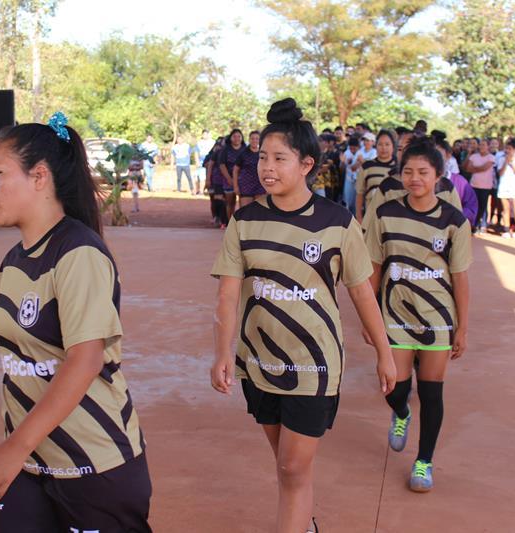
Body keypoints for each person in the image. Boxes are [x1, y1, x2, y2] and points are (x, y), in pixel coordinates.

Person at [210, 98, 396, 533]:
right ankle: (305, 523)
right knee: (287, 467)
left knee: (293, 467)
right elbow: (227, 294)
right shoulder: (244, 220)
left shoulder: (337, 221)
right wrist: (222, 353)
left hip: (315, 364)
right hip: (259, 363)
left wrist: (384, 353)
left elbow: (363, 294)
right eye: (262, 158)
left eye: (279, 158)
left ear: (306, 163)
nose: (267, 167)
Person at [0, 112, 152, 532]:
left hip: (93, 465)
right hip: (31, 465)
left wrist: (14, 447)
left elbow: (84, 361)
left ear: (40, 177)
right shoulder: (14, 260)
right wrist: (22, 451)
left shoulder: (79, 253)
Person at [364, 136, 471, 493]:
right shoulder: (385, 213)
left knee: (432, 393)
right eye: (408, 171)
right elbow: (375, 268)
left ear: (439, 175)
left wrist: (462, 328)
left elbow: (460, 278)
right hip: (394, 314)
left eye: (423, 172)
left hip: (438, 318)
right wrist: (371, 317)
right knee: (394, 387)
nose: (415, 178)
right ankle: (402, 414)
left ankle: (424, 461)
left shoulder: (454, 220)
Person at [435, 139, 477, 230]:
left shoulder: (460, 182)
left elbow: (471, 207)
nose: (434, 159)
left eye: (438, 155)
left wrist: (455, 217)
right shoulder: (421, 181)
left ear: (448, 156)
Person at [354, 130, 395, 223]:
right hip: (371, 218)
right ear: (375, 146)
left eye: (387, 144)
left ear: (393, 146)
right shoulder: (366, 166)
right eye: (380, 144)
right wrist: (359, 218)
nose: (384, 148)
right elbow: (359, 193)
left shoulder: (400, 168)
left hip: (394, 220)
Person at [497, 137, 515, 238]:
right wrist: (505, 162)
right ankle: (506, 230)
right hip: (503, 186)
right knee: (506, 209)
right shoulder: (501, 158)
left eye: (509, 148)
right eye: (506, 148)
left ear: (514, 150)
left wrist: (511, 162)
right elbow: (500, 173)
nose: (507, 150)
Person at [465, 139, 495, 233]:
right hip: (474, 185)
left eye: (483, 145)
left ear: (488, 146)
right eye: (480, 145)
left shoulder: (491, 157)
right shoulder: (474, 156)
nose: (481, 146)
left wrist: (475, 169)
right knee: (472, 205)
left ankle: (477, 224)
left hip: (485, 186)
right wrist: (478, 169)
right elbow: (468, 168)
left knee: (482, 207)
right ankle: (471, 224)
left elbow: (485, 167)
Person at [217, 129, 247, 220]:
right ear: (230, 138)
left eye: (239, 136)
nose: (237, 138)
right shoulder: (225, 150)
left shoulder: (245, 149)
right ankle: (230, 223)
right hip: (228, 180)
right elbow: (222, 165)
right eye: (234, 136)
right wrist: (229, 178)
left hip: (243, 180)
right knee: (230, 203)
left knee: (243, 202)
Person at [232, 130, 264, 208]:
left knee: (259, 210)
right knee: (245, 211)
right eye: (252, 138)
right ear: (249, 140)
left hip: (260, 185)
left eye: (257, 139)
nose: (254, 140)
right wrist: (235, 186)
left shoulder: (263, 153)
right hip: (245, 186)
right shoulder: (243, 153)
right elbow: (235, 170)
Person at [341, 136, 361, 214]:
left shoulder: (361, 153)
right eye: (351, 148)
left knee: (356, 201)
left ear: (358, 147)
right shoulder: (346, 153)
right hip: (348, 179)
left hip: (359, 180)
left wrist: (358, 163)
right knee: (347, 200)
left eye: (354, 148)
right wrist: (343, 162)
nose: (352, 150)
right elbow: (342, 169)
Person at [194, 130, 215, 195]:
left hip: (210, 161)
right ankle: (198, 190)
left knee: (206, 177)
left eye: (206, 134)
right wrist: (197, 161)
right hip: (201, 162)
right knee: (198, 177)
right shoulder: (199, 143)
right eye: (203, 134)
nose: (205, 135)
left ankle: (203, 191)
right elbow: (196, 152)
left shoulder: (213, 142)